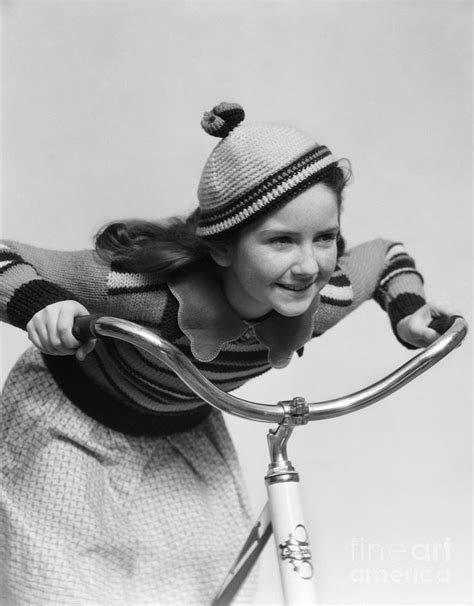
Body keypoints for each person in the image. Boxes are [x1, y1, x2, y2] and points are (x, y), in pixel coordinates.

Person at [0, 102, 458, 605]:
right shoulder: (134, 289)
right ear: (221, 248)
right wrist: (45, 305)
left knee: (207, 582)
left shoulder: (323, 300)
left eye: (324, 238)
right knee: (55, 586)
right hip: (69, 422)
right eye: (281, 241)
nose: (309, 265)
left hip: (181, 429)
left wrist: (408, 310)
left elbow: (385, 255)